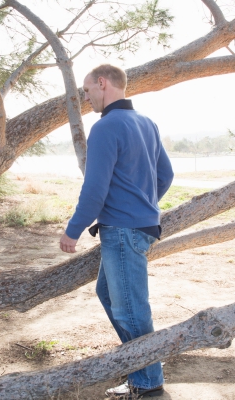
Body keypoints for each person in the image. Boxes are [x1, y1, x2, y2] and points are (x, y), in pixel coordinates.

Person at [59, 65, 174, 399]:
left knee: (130, 309)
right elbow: (165, 175)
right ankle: (141, 369)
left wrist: (73, 231)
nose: (85, 97)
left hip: (123, 231)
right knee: (109, 295)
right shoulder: (146, 123)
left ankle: (149, 382)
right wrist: (143, 203)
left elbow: (95, 189)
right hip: (137, 226)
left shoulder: (107, 126)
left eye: (86, 90)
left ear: (102, 83)